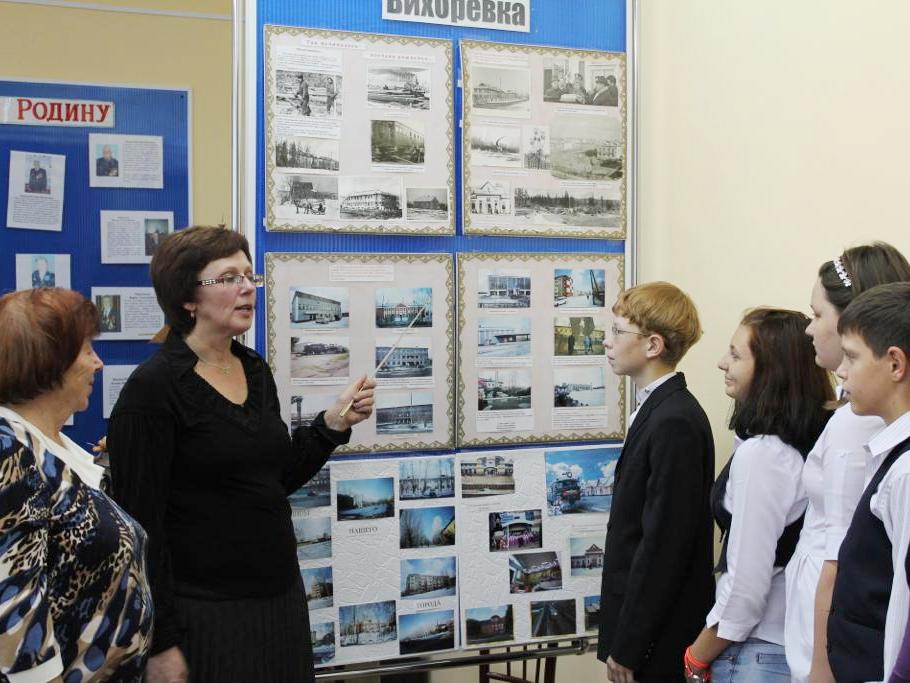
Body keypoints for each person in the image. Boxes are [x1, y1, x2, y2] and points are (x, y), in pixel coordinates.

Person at [107, 226, 375, 683]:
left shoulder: (254, 369)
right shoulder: (152, 390)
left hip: (279, 600)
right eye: (228, 277)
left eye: (249, 275)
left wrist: (332, 425)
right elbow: (139, 530)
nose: (247, 287)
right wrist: (161, 641)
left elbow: (274, 480)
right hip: (204, 615)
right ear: (187, 297)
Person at [0, 288, 153, 681]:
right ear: (49, 361)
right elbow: (12, 621)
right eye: (87, 350)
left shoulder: (51, 447)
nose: (99, 363)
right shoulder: (9, 453)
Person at [684, 308, 833, 682]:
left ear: (771, 370)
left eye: (736, 355)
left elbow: (747, 582)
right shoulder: (813, 439)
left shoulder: (764, 454)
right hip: (788, 644)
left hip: (756, 649)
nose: (722, 363)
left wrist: (696, 655)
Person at [784, 243, 910, 682]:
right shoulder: (861, 418)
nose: (809, 329)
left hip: (845, 647)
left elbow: (844, 560)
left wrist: (822, 665)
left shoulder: (857, 426)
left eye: (817, 315)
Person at [598, 281, 715, 683]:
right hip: (643, 632)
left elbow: (663, 543)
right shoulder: (656, 410)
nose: (607, 342)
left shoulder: (674, 420)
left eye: (617, 332)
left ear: (652, 345)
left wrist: (630, 644)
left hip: (658, 639)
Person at [827, 282, 910, 682]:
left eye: (852, 357)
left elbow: (903, 606)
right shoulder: (893, 455)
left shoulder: (907, 472)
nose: (840, 371)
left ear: (895, 363)